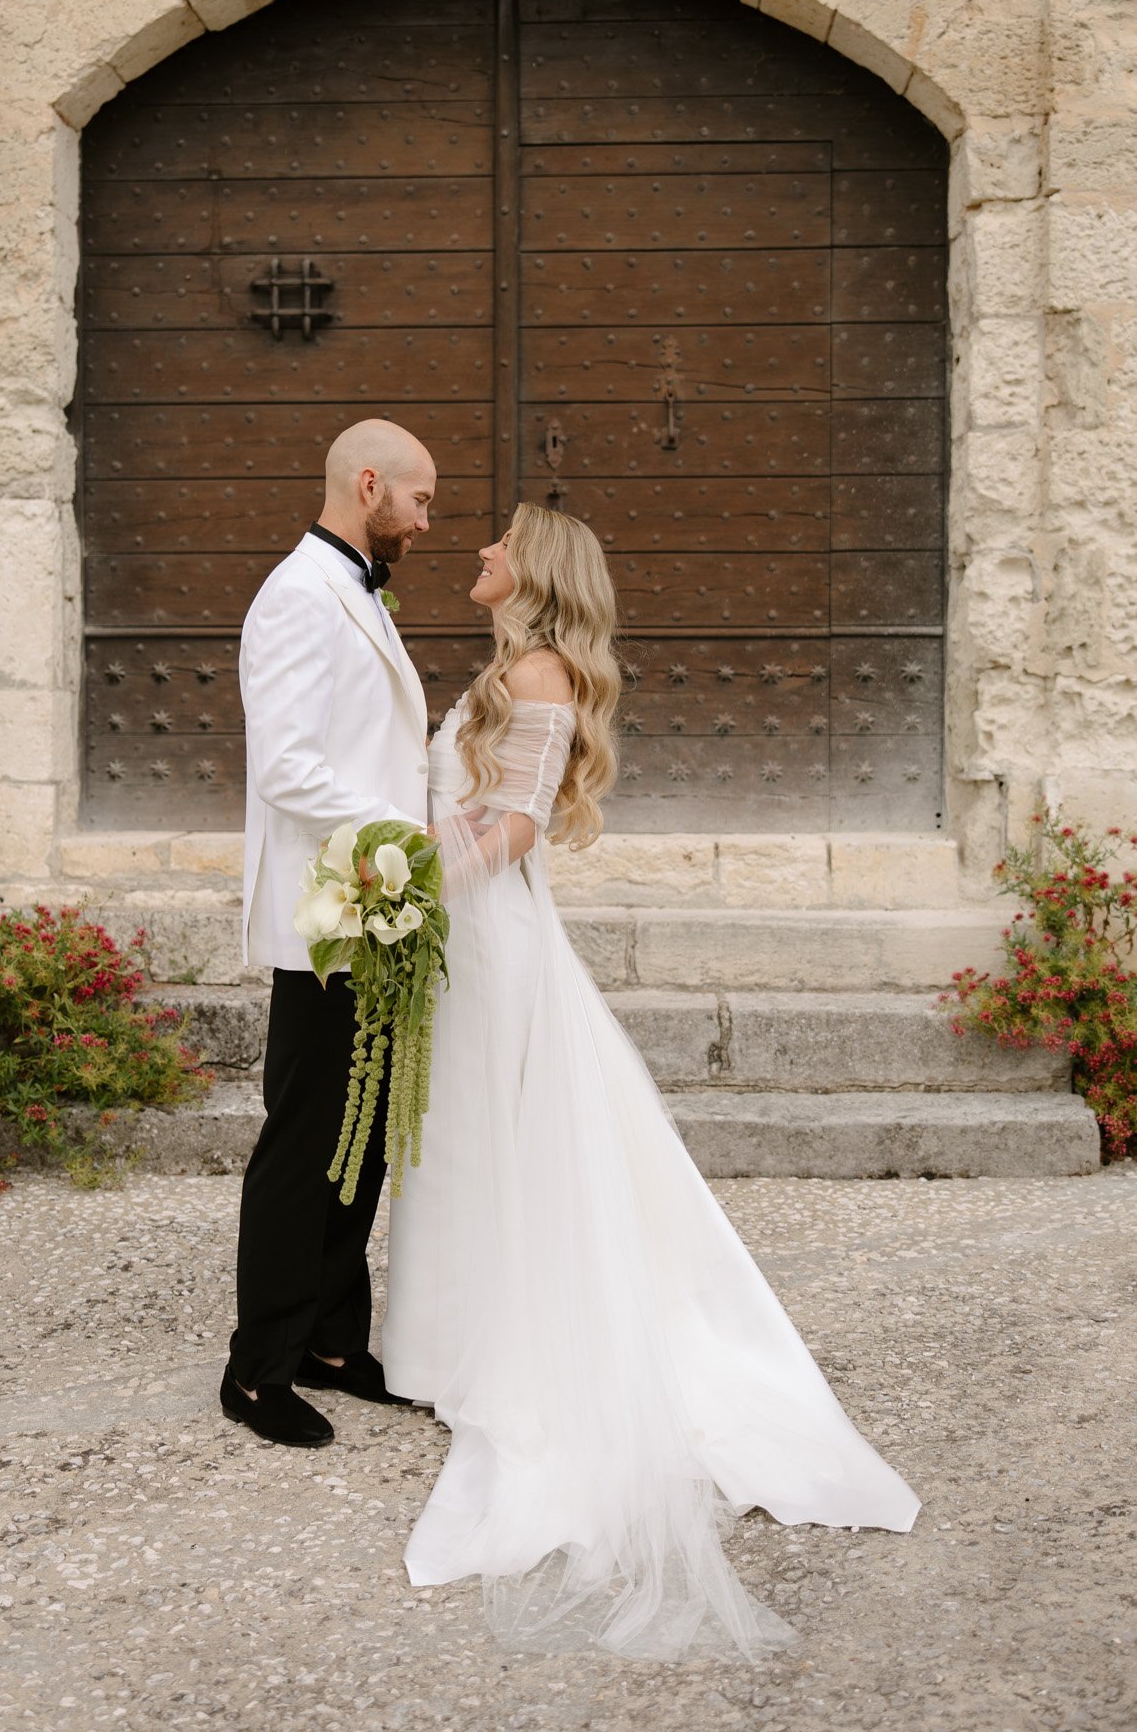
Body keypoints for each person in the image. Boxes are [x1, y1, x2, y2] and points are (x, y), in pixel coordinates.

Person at [383, 502, 920, 1660]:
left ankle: (488, 1348)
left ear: (532, 574)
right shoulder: (514, 666)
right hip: (475, 931)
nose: (477, 552)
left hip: (487, 932)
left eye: (497, 543)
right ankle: (450, 1339)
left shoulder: (534, 671)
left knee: (493, 1135)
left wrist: (418, 885)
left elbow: (518, 820)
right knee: (472, 1134)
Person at [222, 419, 436, 1449]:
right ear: (368, 484)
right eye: (420, 499)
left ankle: (333, 1342)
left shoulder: (354, 589)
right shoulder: (299, 597)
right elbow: (288, 767)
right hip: (326, 913)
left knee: (363, 1136)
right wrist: (412, 838)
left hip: (373, 910)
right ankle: (257, 1366)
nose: (427, 520)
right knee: (304, 1140)